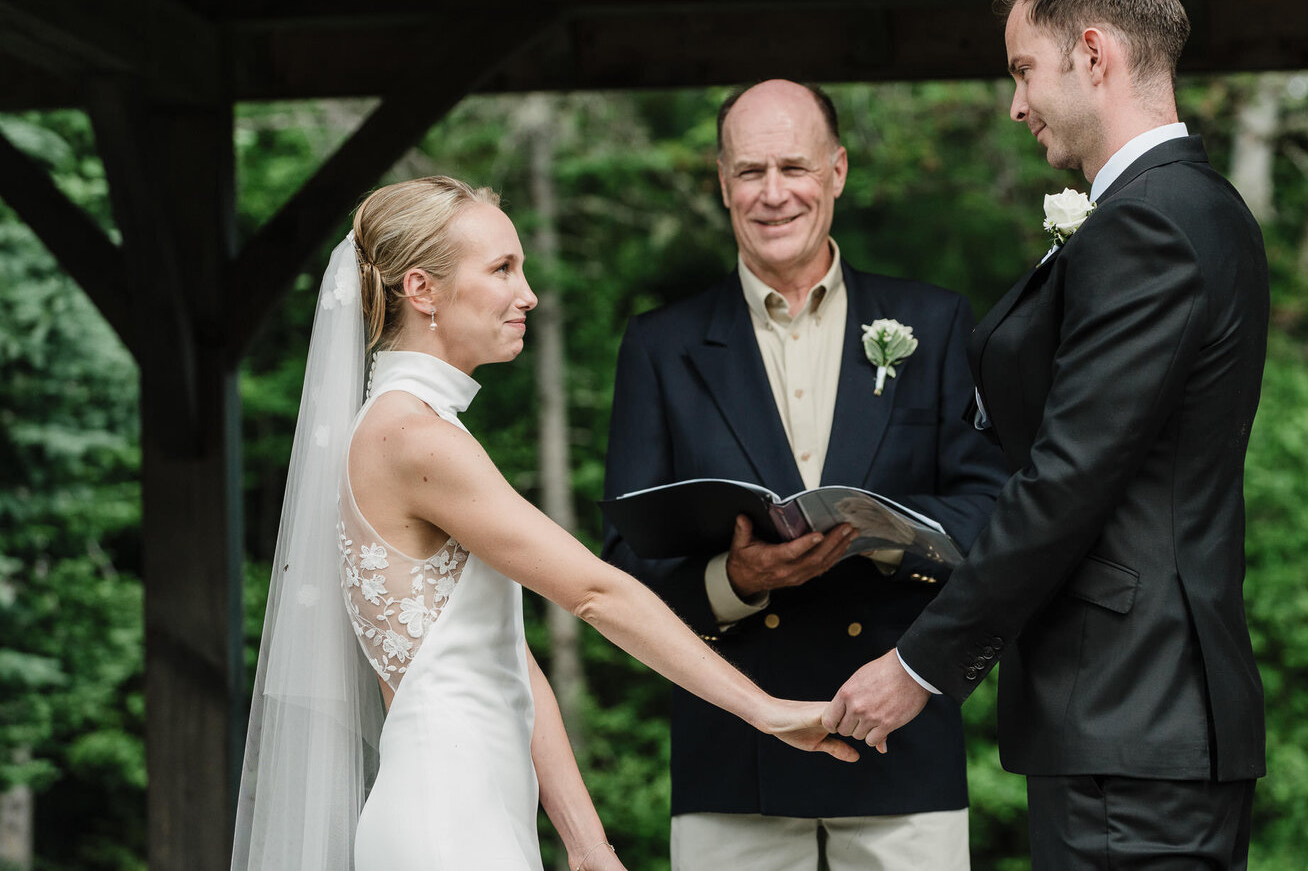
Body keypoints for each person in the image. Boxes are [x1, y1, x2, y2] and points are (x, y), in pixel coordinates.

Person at [231, 176, 856, 871]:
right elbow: (597, 592)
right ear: (422, 290)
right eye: (502, 269)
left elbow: (510, 661)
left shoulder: (418, 428)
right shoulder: (412, 437)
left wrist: (589, 847)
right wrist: (764, 709)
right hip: (448, 824)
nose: (528, 293)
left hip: (477, 812)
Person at [826, 0, 1271, 869]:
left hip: (1129, 715)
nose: (1015, 103)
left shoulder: (1149, 222)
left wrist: (918, 665)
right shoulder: (1196, 206)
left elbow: (1071, 475)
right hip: (1145, 720)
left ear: (1094, 55)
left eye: (1024, 70)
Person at [602, 80, 1008, 871]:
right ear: (723, 185)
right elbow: (620, 564)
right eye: (750, 171)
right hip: (733, 753)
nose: (774, 192)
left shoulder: (934, 321)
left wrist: (881, 536)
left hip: (902, 740)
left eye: (795, 166)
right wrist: (736, 577)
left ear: (838, 172)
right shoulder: (661, 345)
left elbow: (992, 508)